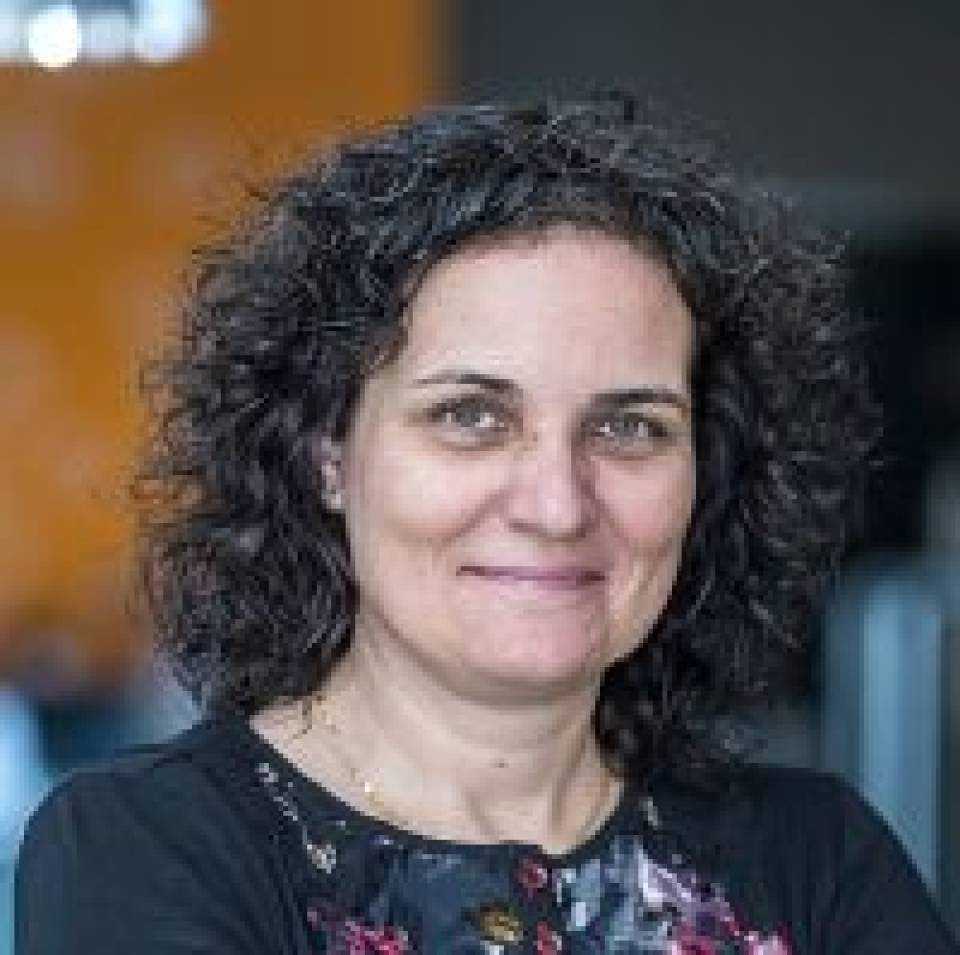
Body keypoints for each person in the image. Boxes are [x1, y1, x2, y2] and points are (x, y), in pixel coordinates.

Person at [14, 94, 958, 954]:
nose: (557, 505)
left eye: (629, 427)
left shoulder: (819, 857)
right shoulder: (152, 844)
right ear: (326, 450)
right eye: (470, 415)